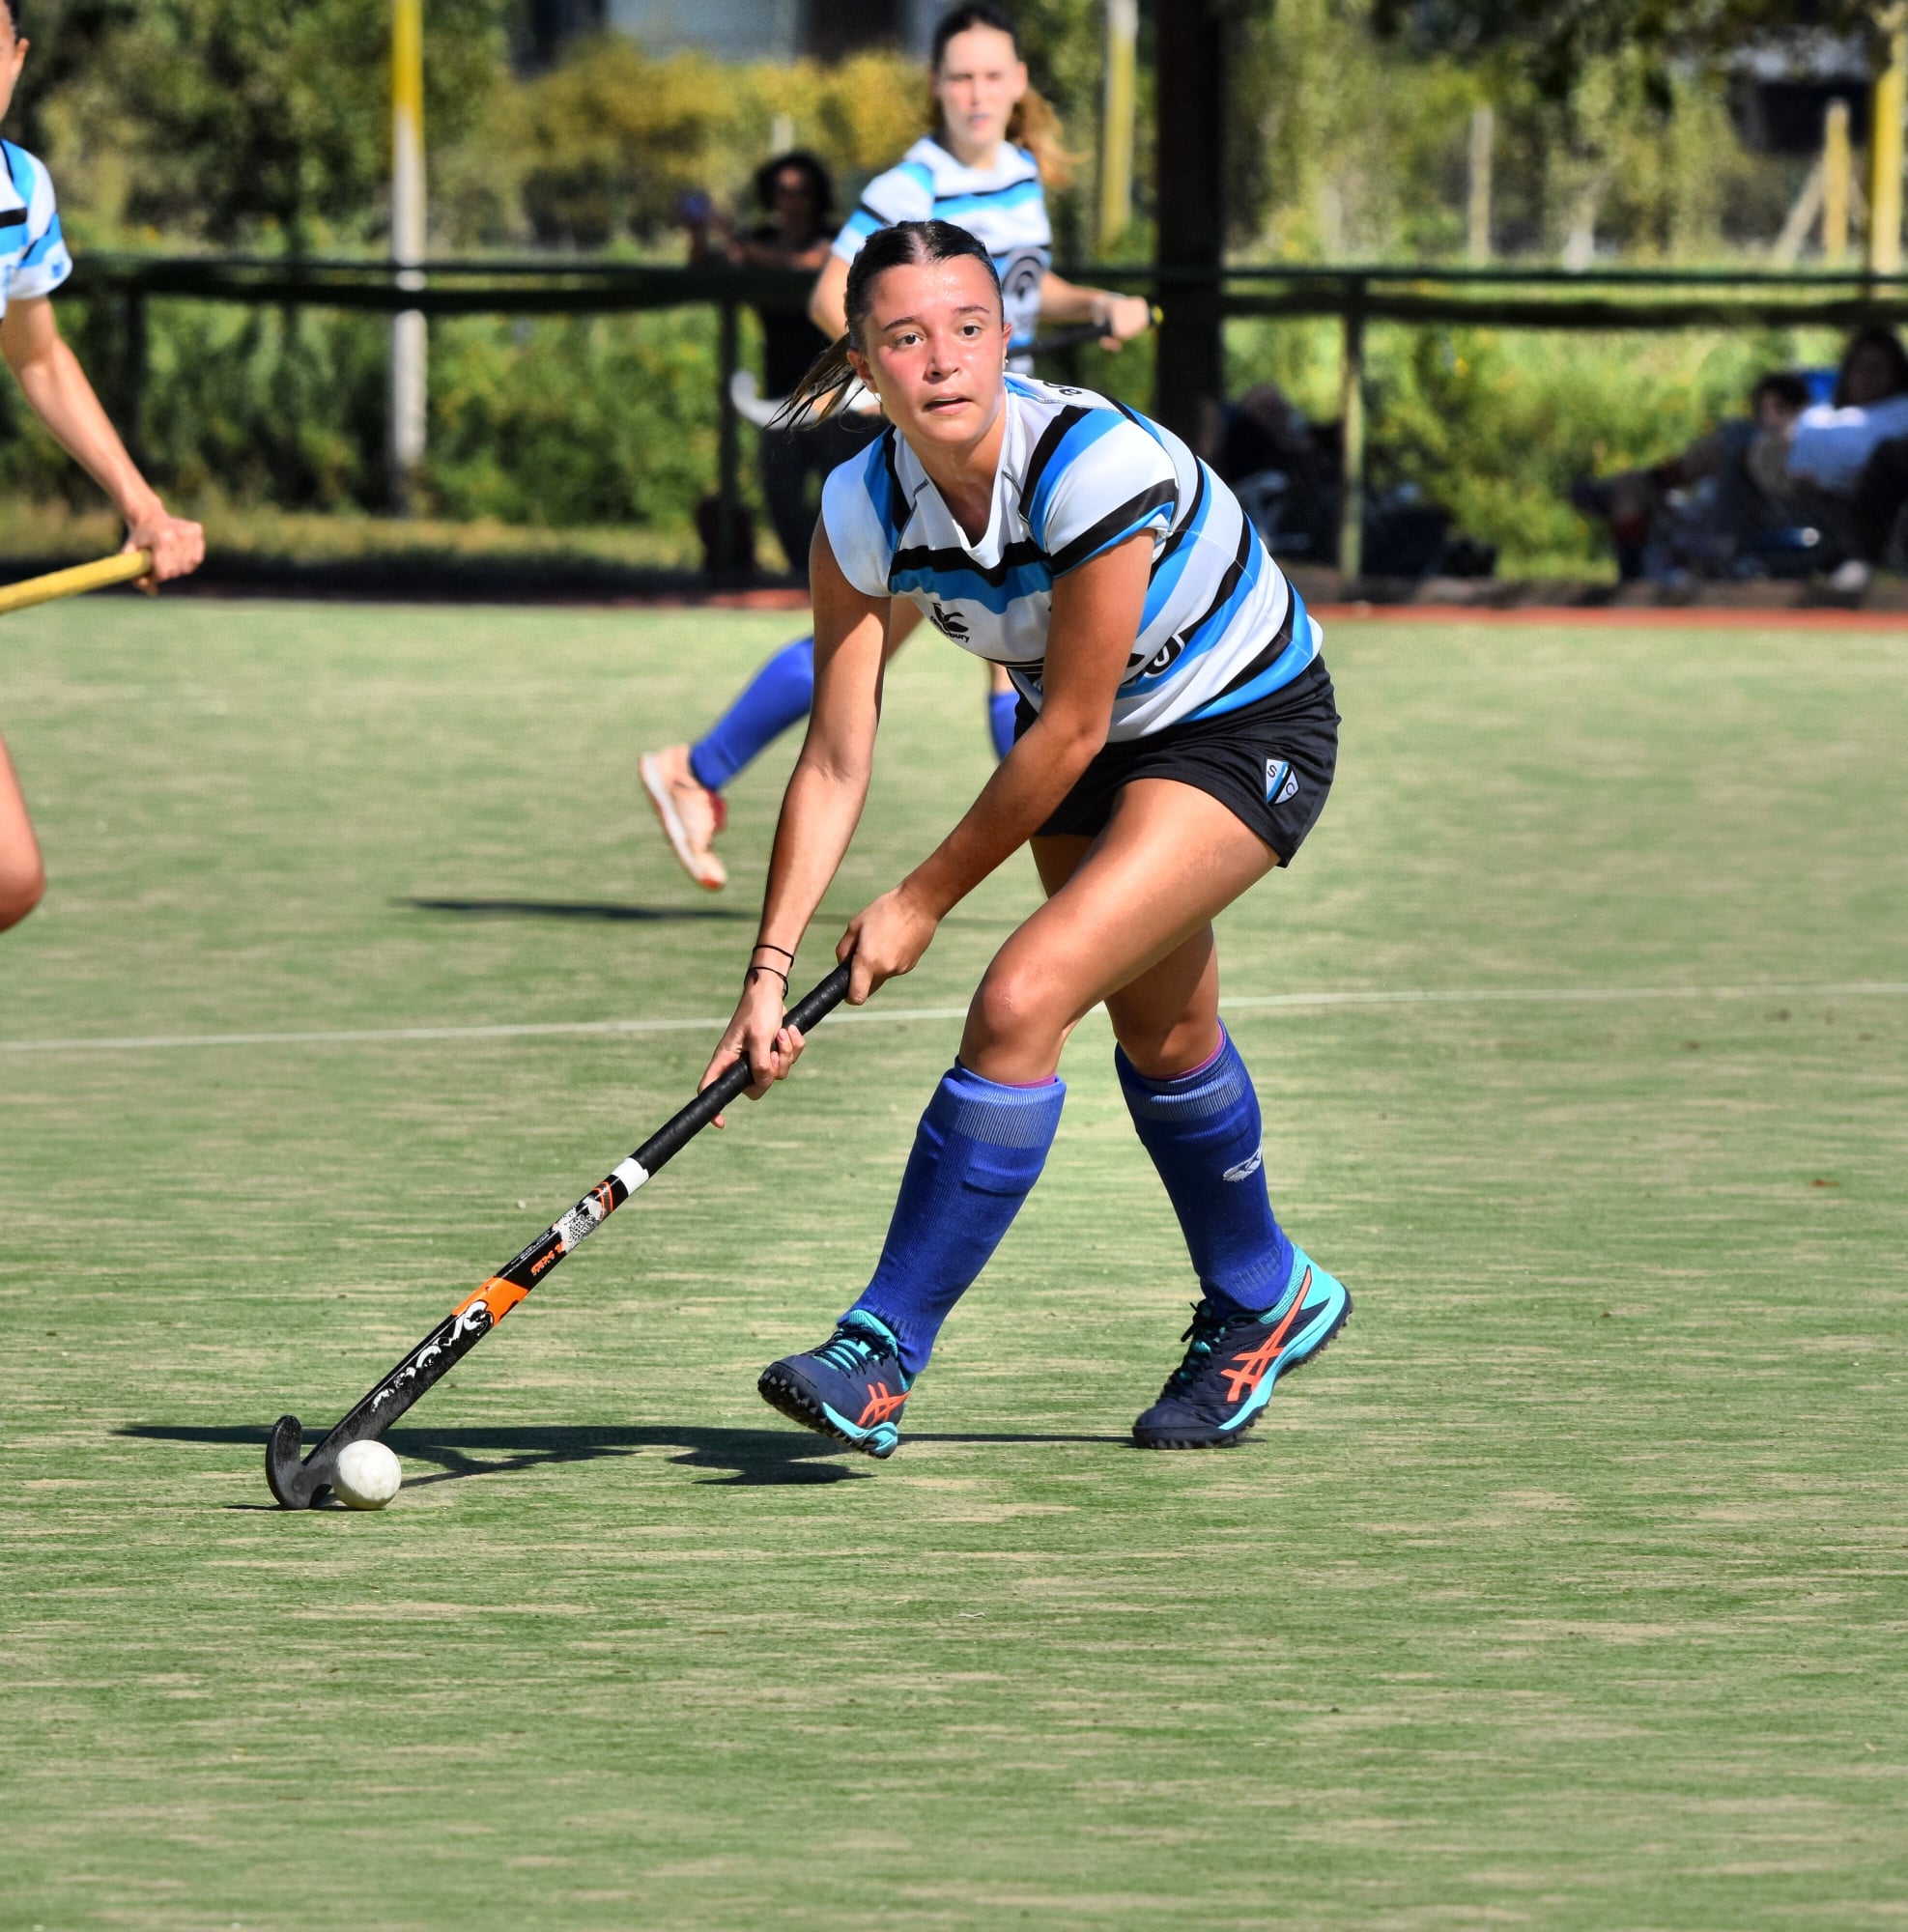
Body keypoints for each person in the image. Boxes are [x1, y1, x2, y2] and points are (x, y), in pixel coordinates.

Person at [698, 219, 1352, 1459]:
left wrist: (918, 898)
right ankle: (1267, 1294)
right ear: (863, 362)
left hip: (1239, 716)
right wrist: (767, 973)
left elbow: (1071, 733)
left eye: (967, 328)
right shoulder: (860, 507)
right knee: (1163, 1032)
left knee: (1021, 998)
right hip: (1075, 728)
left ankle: (881, 1348)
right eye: (904, 336)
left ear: (1003, 337)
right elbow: (837, 751)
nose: (940, 360)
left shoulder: (1086, 464)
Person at [641, 2, 1151, 892]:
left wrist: (1096, 303)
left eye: (993, 75)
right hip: (960, 453)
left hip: (1013, 446)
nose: (977, 93)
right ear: (935, 87)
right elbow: (829, 295)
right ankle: (1081, 875)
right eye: (959, 77)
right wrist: (897, 389)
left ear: (1019, 83)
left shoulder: (1021, 174)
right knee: (997, 661)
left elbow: (1022, 290)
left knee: (944, 654)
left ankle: (700, 770)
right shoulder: (912, 187)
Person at [0, 0, 203, 933]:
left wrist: (142, 506)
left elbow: (38, 358)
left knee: (8, 877)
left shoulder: (18, 194)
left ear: (17, 58)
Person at [686, 151, 875, 580]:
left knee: (842, 495)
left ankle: (845, 579)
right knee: (782, 496)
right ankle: (804, 578)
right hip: (780, 393)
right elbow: (709, 267)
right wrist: (701, 235)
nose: (792, 201)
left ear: (817, 197)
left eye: (802, 192)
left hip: (839, 394)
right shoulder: (759, 240)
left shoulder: (837, 239)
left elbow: (809, 263)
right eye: (783, 192)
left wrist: (735, 242)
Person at [1571, 372, 1812, 582]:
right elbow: (1672, 476)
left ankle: (1635, 586)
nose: (1770, 415)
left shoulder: (1811, 440)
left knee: (1633, 490)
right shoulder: (1742, 436)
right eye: (1764, 406)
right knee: (1630, 492)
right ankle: (1632, 590)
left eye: (1780, 407)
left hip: (1745, 538)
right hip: (1712, 527)